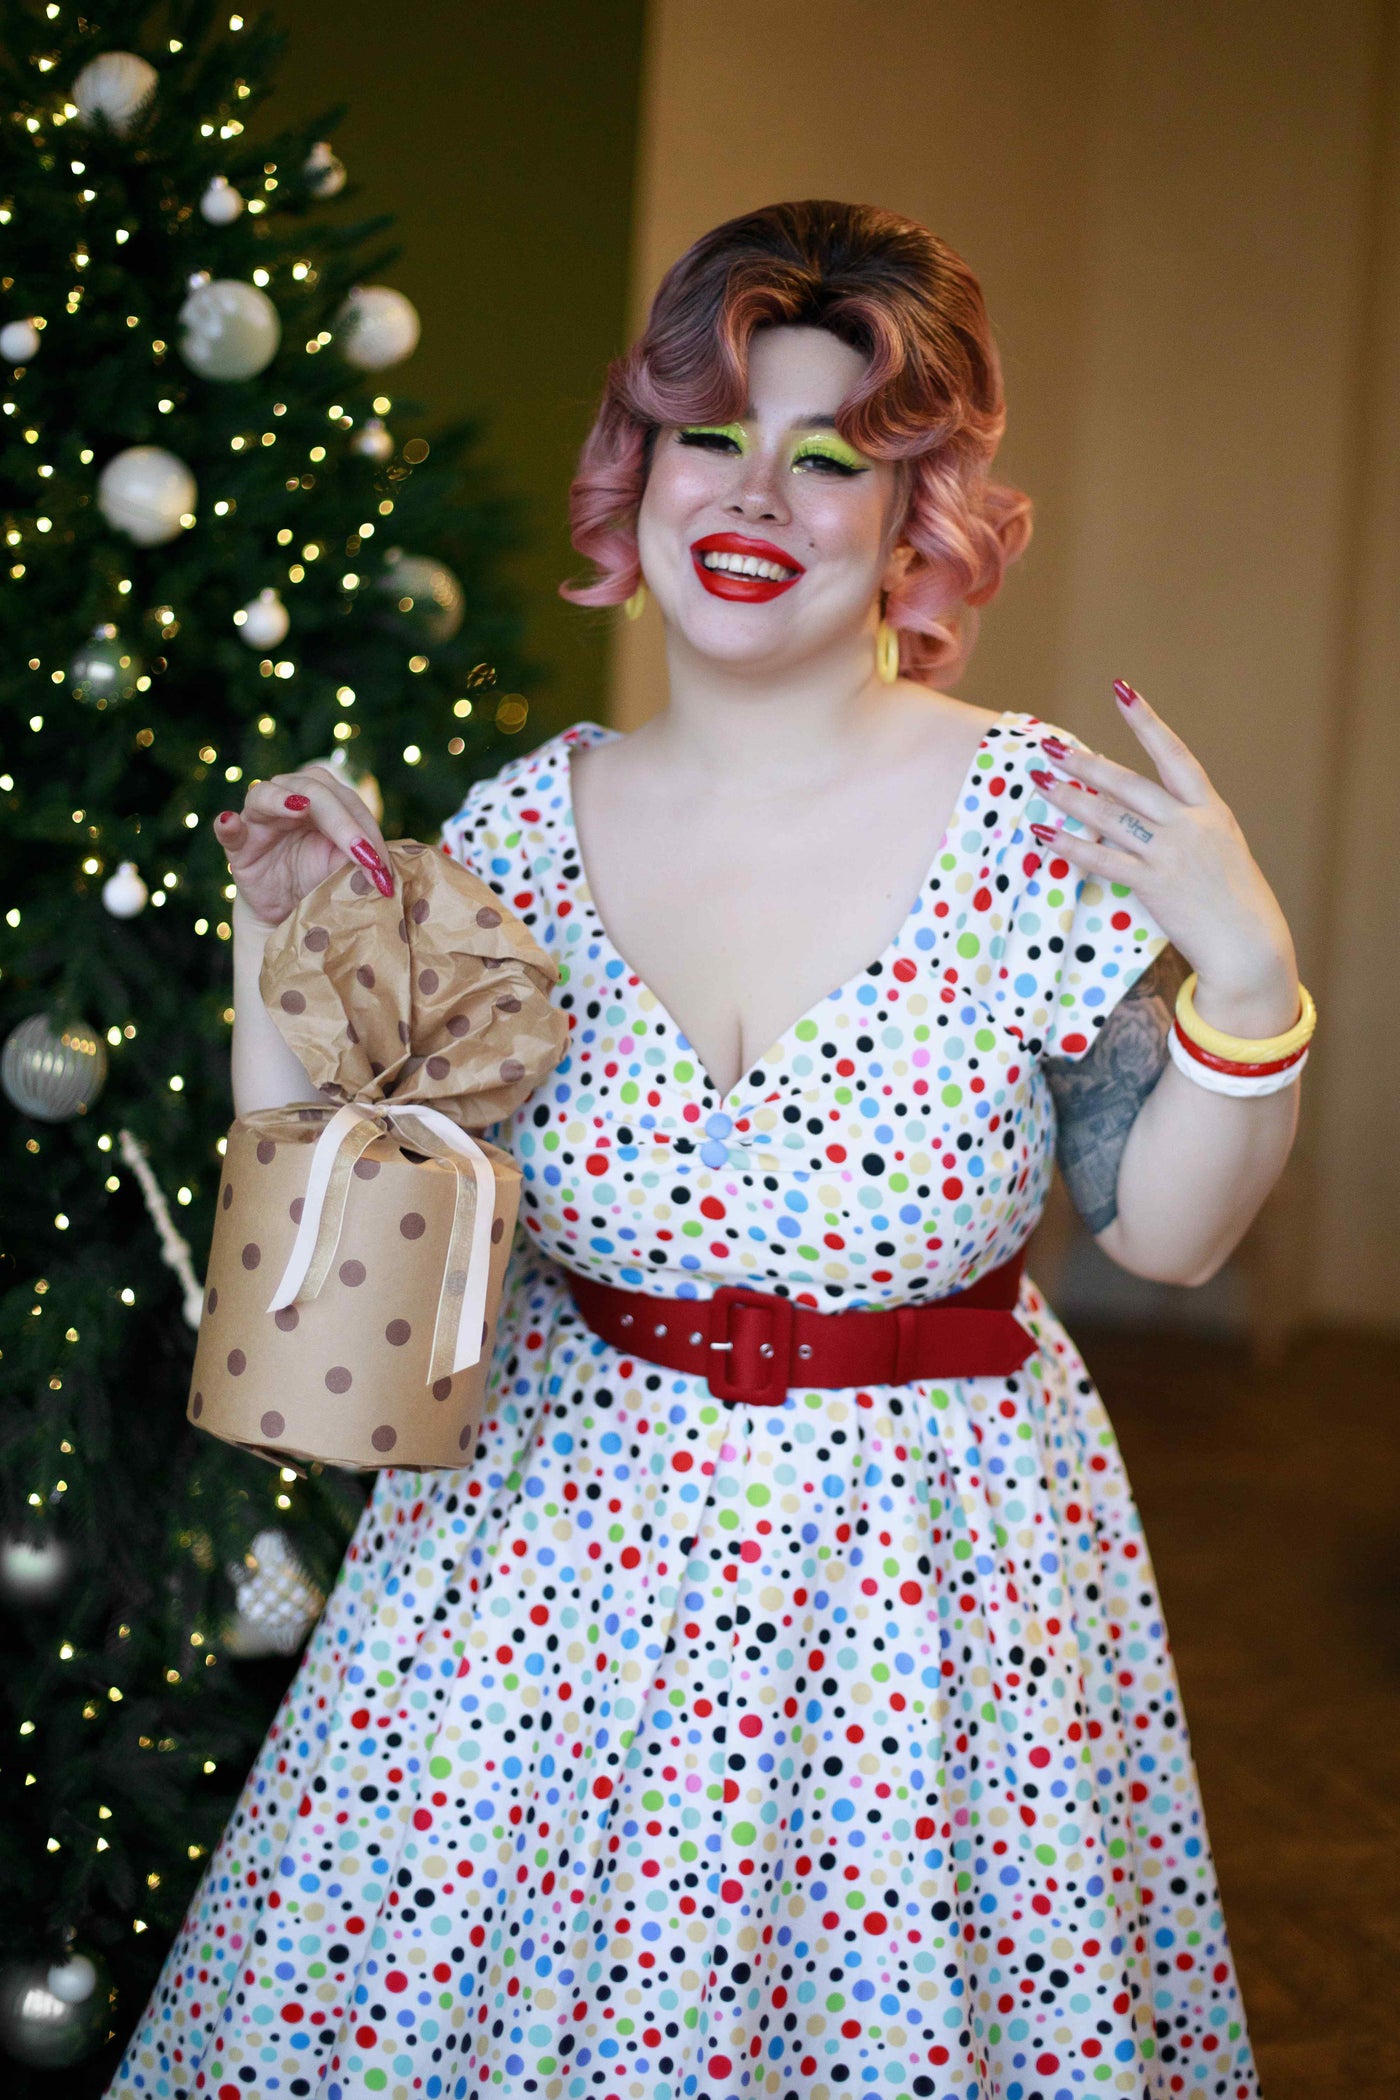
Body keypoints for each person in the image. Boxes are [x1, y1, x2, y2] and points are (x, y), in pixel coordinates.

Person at [111, 201, 1308, 2100]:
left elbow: (1162, 1238)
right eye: (710, 435)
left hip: (933, 1612)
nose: (757, 495)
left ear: (919, 514)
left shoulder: (1030, 822)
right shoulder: (513, 832)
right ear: (640, 467)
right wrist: (286, 952)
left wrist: (1248, 967)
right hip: (527, 1617)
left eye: (833, 456)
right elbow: (352, 1275)